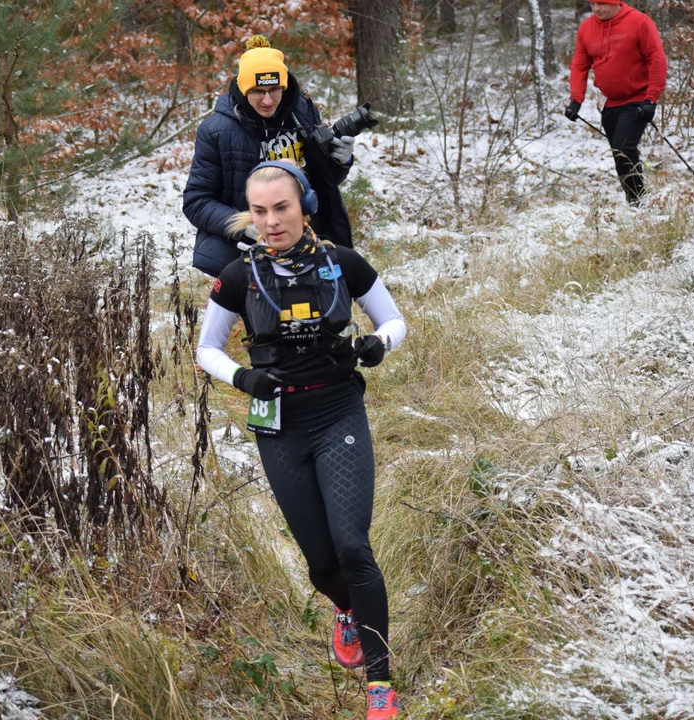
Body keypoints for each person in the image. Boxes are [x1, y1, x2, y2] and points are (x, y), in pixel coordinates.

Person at [195, 160, 406, 719]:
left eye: (281, 207)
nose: (270, 221)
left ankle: (380, 684)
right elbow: (206, 349)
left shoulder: (342, 263)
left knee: (353, 547)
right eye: (259, 211)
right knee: (320, 563)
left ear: (304, 205)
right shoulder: (238, 277)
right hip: (277, 421)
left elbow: (393, 321)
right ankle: (346, 609)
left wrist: (374, 345)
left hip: (338, 411)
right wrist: (242, 377)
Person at [183, 35, 356, 277]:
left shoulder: (302, 113)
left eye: (274, 90)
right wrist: (247, 224)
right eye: (257, 91)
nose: (267, 100)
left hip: (307, 243)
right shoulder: (216, 130)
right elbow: (196, 202)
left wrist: (341, 160)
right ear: (244, 90)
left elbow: (323, 182)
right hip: (247, 253)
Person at [565, 0, 667, 205]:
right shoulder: (587, 28)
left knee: (624, 148)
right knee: (619, 154)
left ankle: (639, 203)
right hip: (611, 102)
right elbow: (579, 65)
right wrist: (576, 100)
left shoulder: (639, 22)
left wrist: (651, 98)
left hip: (638, 97)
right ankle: (635, 200)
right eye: (593, 4)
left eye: (601, 4)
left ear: (616, 3)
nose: (596, 9)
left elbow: (657, 59)